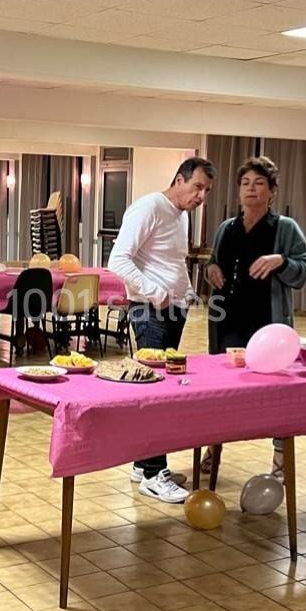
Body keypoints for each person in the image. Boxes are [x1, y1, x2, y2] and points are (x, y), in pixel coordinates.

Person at [108, 156, 214, 503]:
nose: (202, 196)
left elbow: (171, 263)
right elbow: (119, 259)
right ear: (179, 180)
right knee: (155, 393)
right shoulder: (150, 207)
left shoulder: (180, 216)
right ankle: (155, 474)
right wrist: (154, 294)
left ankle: (143, 464)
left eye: (207, 190)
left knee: (163, 387)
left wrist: (185, 294)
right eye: (198, 187)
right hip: (150, 312)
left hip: (173, 310)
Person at [204, 156, 306, 478]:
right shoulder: (227, 228)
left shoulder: (285, 229)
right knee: (221, 390)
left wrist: (281, 261)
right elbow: (213, 262)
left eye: (259, 183)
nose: (251, 189)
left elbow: (302, 272)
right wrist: (211, 269)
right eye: (245, 183)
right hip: (227, 322)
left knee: (276, 393)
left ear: (272, 191)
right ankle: (214, 447)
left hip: (269, 326)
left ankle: (280, 460)